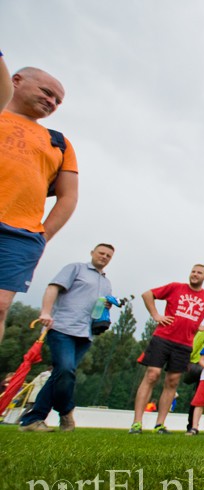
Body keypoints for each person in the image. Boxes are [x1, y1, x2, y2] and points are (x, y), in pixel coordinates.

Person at [0, 67, 79, 344]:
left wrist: (41, 237)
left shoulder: (59, 143)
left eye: (58, 101)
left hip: (20, 236)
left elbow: (68, 197)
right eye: (47, 92)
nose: (52, 102)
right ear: (16, 81)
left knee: (1, 306)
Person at [18, 244, 115, 432]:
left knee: (59, 375)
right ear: (92, 253)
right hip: (62, 327)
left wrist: (106, 306)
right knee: (65, 369)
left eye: (108, 256)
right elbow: (53, 288)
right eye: (101, 253)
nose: (104, 257)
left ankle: (33, 419)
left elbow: (100, 304)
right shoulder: (75, 268)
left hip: (86, 333)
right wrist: (45, 312)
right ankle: (66, 410)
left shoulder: (106, 283)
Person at [130, 265, 204, 434]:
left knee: (172, 381)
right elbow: (147, 294)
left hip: (184, 344)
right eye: (193, 271)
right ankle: (137, 423)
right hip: (163, 338)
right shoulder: (175, 287)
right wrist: (156, 315)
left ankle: (159, 424)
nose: (195, 274)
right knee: (152, 375)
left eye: (199, 273)